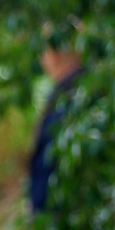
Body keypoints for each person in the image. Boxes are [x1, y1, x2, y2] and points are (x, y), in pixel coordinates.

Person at [28, 42, 83, 212]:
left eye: (43, 51)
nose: (42, 60)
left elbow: (47, 165)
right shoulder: (74, 90)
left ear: (55, 55)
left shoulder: (67, 99)